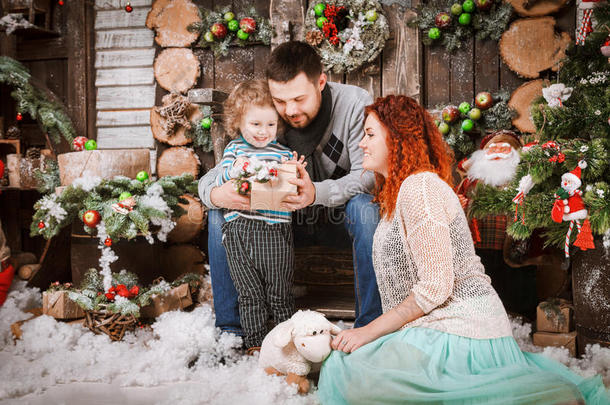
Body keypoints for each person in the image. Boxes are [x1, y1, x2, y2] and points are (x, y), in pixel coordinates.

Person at [317, 95, 609, 404]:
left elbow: (434, 288)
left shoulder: (420, 188)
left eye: (370, 134)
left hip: (461, 325)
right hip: (432, 324)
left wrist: (369, 330)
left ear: (398, 138)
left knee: (351, 373)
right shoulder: (400, 192)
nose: (362, 143)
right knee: (346, 367)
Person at [198, 41, 382, 336]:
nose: (289, 110)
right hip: (279, 224)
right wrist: (216, 194)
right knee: (221, 213)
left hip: (338, 219)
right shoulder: (269, 112)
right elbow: (214, 176)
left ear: (321, 81)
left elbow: (369, 175)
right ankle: (231, 332)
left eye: (298, 98)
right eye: (280, 101)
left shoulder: (353, 104)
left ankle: (369, 327)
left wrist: (315, 194)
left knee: (366, 209)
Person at [215, 80, 300, 350]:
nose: (264, 132)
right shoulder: (234, 150)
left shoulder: (283, 153)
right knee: (249, 293)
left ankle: (285, 344)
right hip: (241, 230)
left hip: (275, 230)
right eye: (255, 124)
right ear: (238, 122)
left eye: (270, 125)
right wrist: (236, 168)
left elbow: (291, 185)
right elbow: (222, 174)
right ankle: (256, 343)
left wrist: (293, 170)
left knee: (280, 292)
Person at [456, 130, 537, 319]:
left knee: (514, 285)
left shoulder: (524, 181)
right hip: (480, 246)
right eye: (494, 149)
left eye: (504, 149)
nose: (498, 153)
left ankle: (521, 318)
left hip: (513, 245)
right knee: (485, 283)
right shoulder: (471, 182)